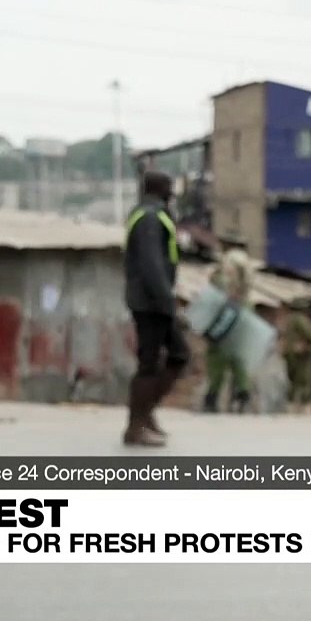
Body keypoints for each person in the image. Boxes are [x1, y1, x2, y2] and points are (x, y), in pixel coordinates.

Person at [123, 171, 189, 447]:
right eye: (170, 189)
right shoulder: (150, 217)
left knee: (177, 355)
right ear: (162, 190)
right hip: (151, 302)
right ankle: (136, 427)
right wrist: (167, 302)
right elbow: (152, 265)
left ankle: (145, 415)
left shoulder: (148, 213)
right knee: (150, 363)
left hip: (150, 300)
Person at [202, 235, 255, 413]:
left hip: (224, 320)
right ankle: (241, 395)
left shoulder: (221, 276)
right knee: (237, 358)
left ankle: (214, 397)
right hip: (238, 318)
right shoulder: (246, 295)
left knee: (218, 359)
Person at [280, 306, 311, 414]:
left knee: (292, 381)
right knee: (304, 381)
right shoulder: (300, 319)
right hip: (300, 354)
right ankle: (305, 408)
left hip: (289, 353)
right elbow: (309, 334)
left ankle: (291, 408)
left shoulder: (288, 319)